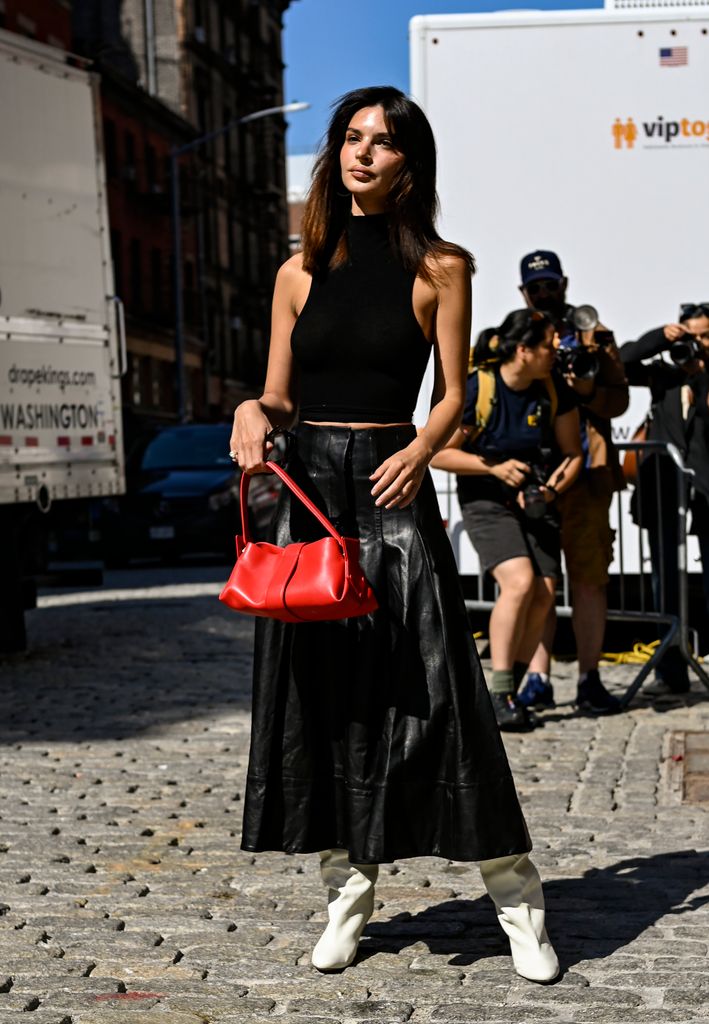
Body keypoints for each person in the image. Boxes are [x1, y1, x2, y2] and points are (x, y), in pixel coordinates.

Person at [229, 86, 559, 982]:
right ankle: (347, 893)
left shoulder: (442, 266)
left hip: (391, 482)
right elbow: (281, 394)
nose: (361, 153)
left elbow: (453, 392)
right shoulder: (298, 269)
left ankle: (515, 894)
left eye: (382, 142)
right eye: (350, 137)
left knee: (437, 691)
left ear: (410, 163)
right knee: (323, 693)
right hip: (312, 496)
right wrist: (251, 410)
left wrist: (421, 450)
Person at [431, 309, 583, 731]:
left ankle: (510, 688)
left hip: (535, 499)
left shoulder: (553, 389)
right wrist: (494, 469)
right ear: (523, 350)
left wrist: (550, 489)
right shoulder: (481, 388)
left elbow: (573, 454)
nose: (556, 351)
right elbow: (439, 452)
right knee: (519, 583)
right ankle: (496, 693)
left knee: (544, 592)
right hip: (486, 499)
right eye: (548, 344)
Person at [515, 251, 629, 715]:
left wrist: (586, 389)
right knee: (542, 583)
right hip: (538, 469)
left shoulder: (595, 337)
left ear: (564, 284)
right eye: (536, 287)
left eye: (550, 284)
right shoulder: (519, 336)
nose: (545, 293)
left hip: (588, 475)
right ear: (525, 293)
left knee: (588, 581)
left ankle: (589, 678)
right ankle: (537, 677)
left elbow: (619, 400)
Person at [620, 303, 709, 694]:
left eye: (705, 336)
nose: (698, 345)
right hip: (663, 489)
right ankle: (671, 670)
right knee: (664, 580)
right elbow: (621, 362)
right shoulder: (664, 376)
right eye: (691, 336)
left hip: (705, 491)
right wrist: (661, 337)